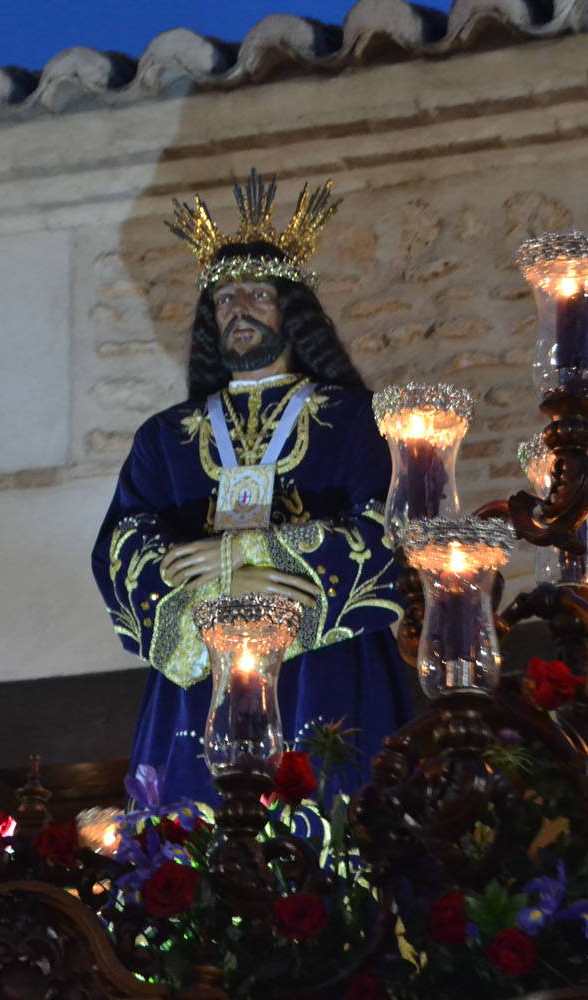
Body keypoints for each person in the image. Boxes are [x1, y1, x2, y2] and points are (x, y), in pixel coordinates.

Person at [90, 170, 409, 805]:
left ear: (293, 313)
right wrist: (228, 582)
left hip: (326, 665)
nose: (239, 308)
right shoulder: (166, 437)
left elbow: (389, 528)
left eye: (259, 295)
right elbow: (122, 548)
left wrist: (240, 555)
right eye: (225, 299)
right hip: (200, 673)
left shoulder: (355, 418)